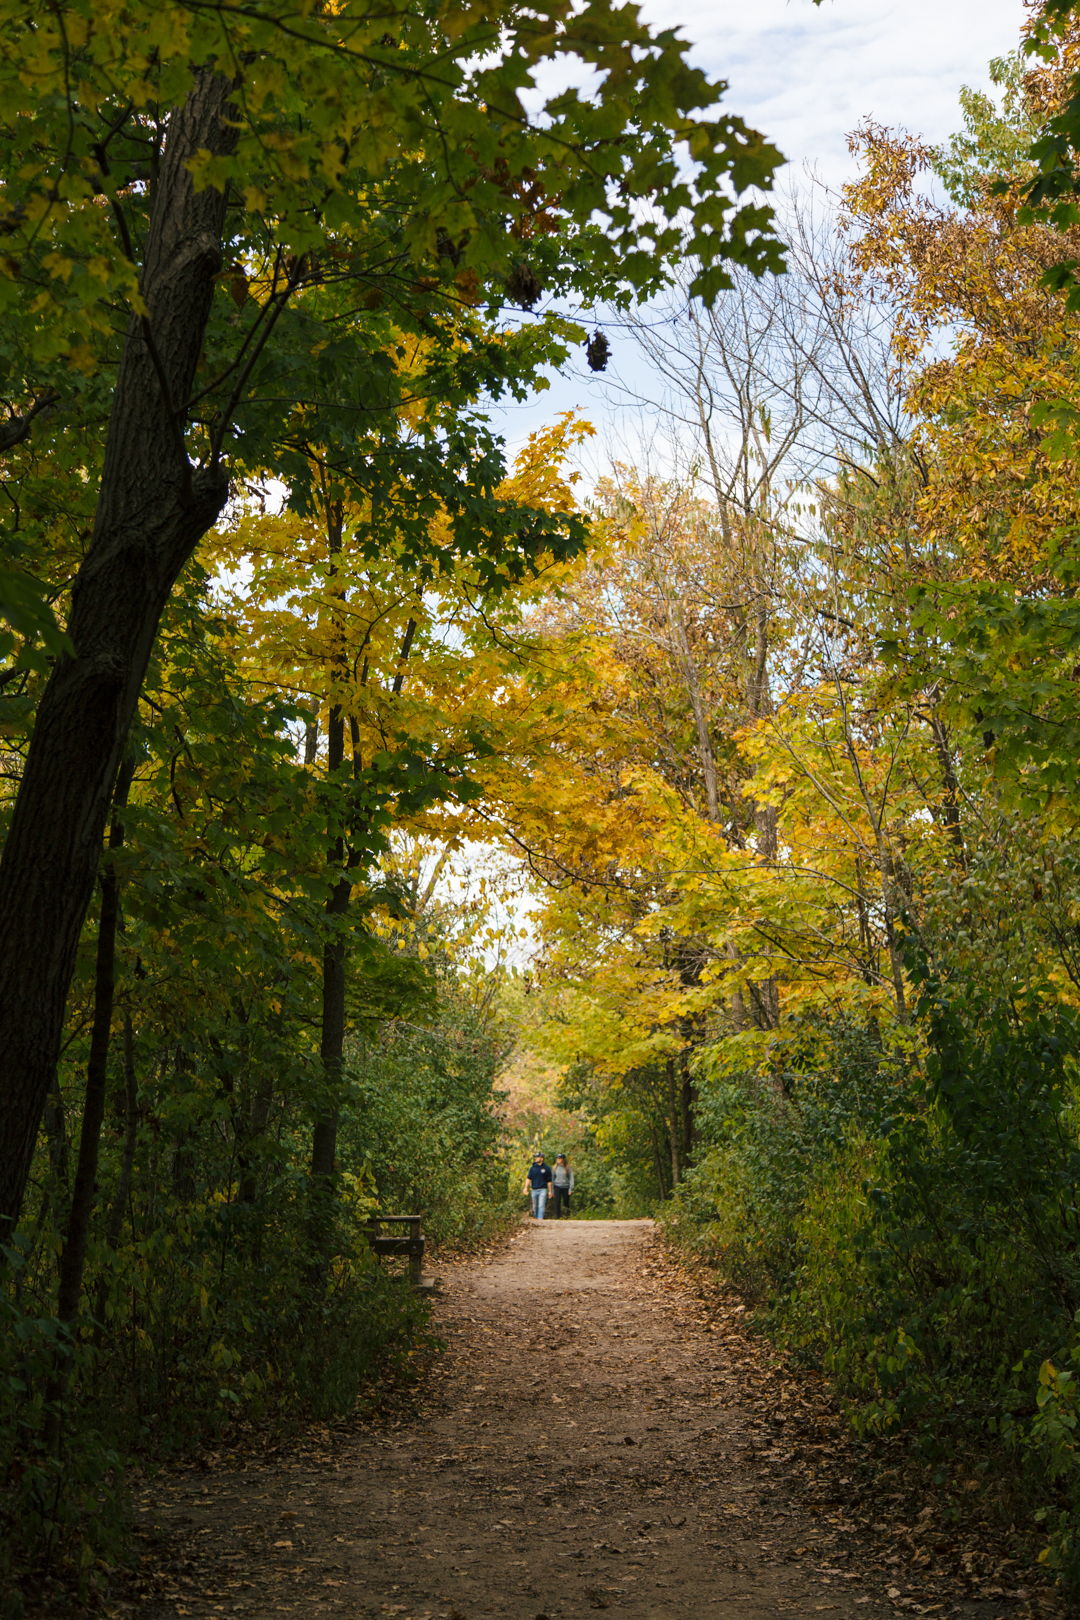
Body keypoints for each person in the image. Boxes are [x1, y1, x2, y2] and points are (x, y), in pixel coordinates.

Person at [523, 1152, 553, 1219]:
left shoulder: (547, 1168)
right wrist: (525, 1187)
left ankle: (540, 1220)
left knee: (541, 1205)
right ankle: (536, 1218)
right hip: (534, 1189)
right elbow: (528, 1178)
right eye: (535, 1157)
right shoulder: (532, 1168)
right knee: (535, 1206)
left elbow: (549, 1181)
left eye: (537, 1157)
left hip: (543, 1189)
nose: (536, 1158)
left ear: (542, 1158)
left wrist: (550, 1191)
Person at [551, 1153, 574, 1219]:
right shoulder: (555, 1167)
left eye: (559, 1158)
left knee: (566, 1202)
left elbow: (571, 1178)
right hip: (557, 1186)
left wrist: (570, 1189)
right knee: (557, 1202)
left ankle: (567, 1215)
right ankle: (558, 1216)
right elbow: (552, 1179)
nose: (558, 1159)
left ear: (563, 1159)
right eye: (557, 1158)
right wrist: (552, 1190)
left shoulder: (567, 1167)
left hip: (565, 1186)